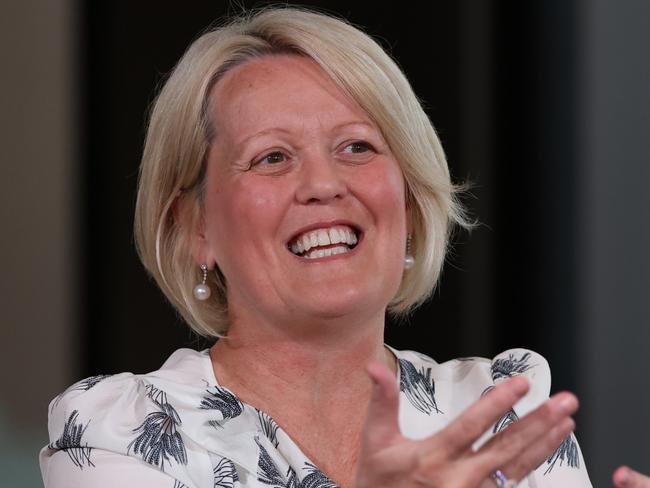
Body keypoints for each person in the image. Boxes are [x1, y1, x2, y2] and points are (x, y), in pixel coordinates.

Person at [39, 7, 646, 488]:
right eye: (272, 157)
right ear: (193, 227)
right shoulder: (120, 431)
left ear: (407, 199)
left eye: (357, 147)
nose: (325, 185)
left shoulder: (499, 406)